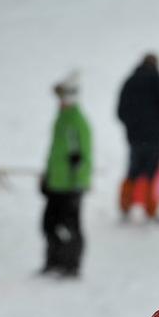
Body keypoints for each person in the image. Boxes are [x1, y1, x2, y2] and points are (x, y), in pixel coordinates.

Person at [40, 71, 92, 277]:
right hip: (56, 184)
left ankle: (72, 266)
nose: (59, 100)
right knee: (48, 224)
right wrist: (47, 177)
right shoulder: (61, 118)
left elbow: (85, 156)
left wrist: (78, 184)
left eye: (62, 95)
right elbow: (55, 153)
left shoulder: (78, 121)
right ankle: (54, 261)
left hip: (71, 186)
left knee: (71, 228)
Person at [116, 53, 159, 222]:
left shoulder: (130, 81)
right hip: (154, 136)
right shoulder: (157, 80)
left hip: (135, 137)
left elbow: (120, 111)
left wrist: (131, 125)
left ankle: (125, 208)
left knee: (132, 172)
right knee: (152, 174)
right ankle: (151, 211)